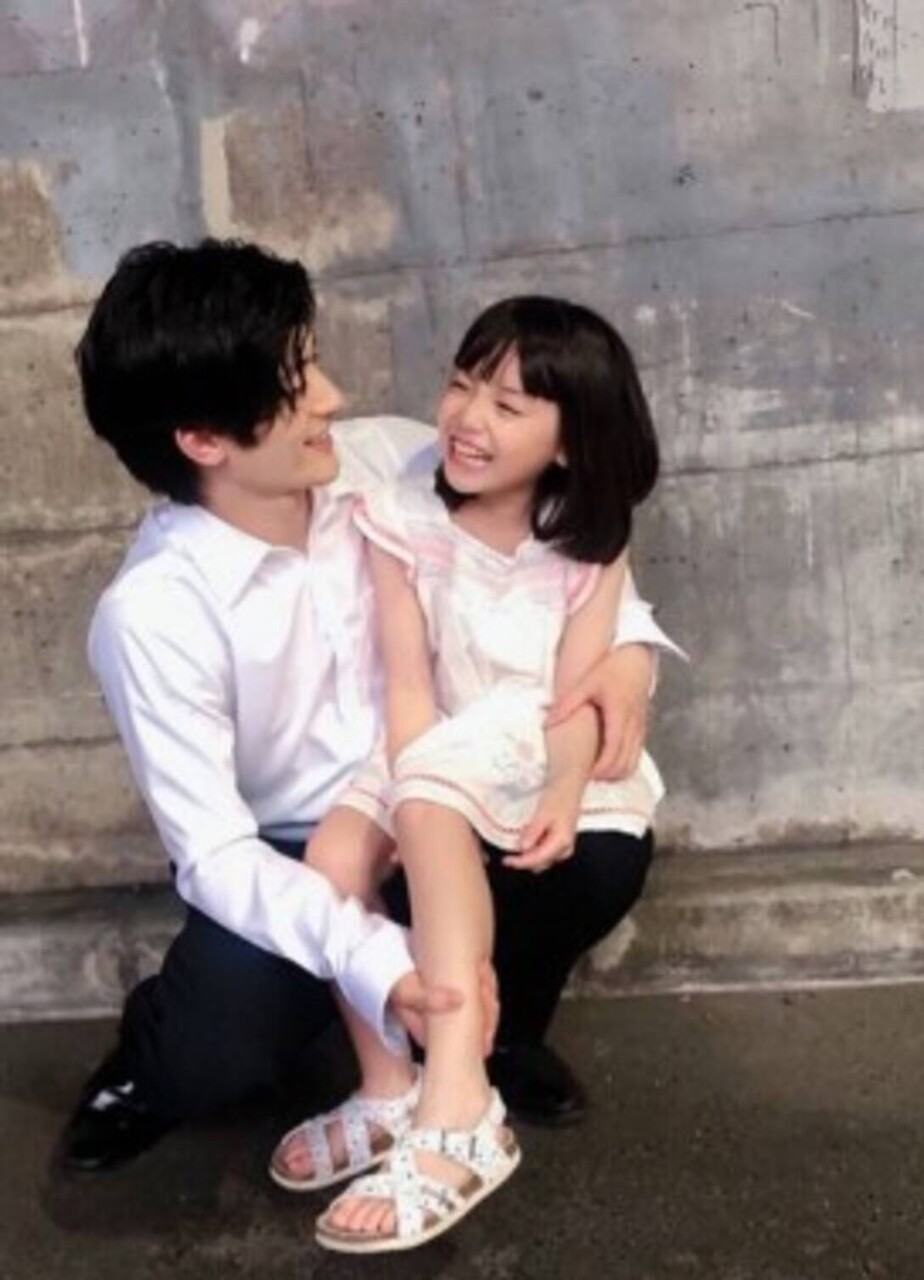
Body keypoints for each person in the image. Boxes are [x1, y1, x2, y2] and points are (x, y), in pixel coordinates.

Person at [61, 238, 674, 1177]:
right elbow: (215, 857)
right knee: (227, 1037)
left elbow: (549, 547)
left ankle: (496, 1036)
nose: (332, 397)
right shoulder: (152, 615)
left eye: (310, 362)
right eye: (295, 382)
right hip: (296, 847)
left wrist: (626, 661)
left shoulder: (387, 458)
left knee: (596, 852)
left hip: (439, 785)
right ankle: (154, 1067)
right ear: (204, 441)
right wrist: (376, 957)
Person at [274, 296, 671, 1253]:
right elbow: (408, 685)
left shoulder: (590, 537)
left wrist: (565, 789)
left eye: (507, 405)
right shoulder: (399, 516)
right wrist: (414, 800)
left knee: (472, 819)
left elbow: (577, 694)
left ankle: (459, 1106)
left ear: (569, 442)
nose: (467, 417)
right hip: (433, 732)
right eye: (461, 385)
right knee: (334, 857)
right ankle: (389, 1088)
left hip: (536, 739)